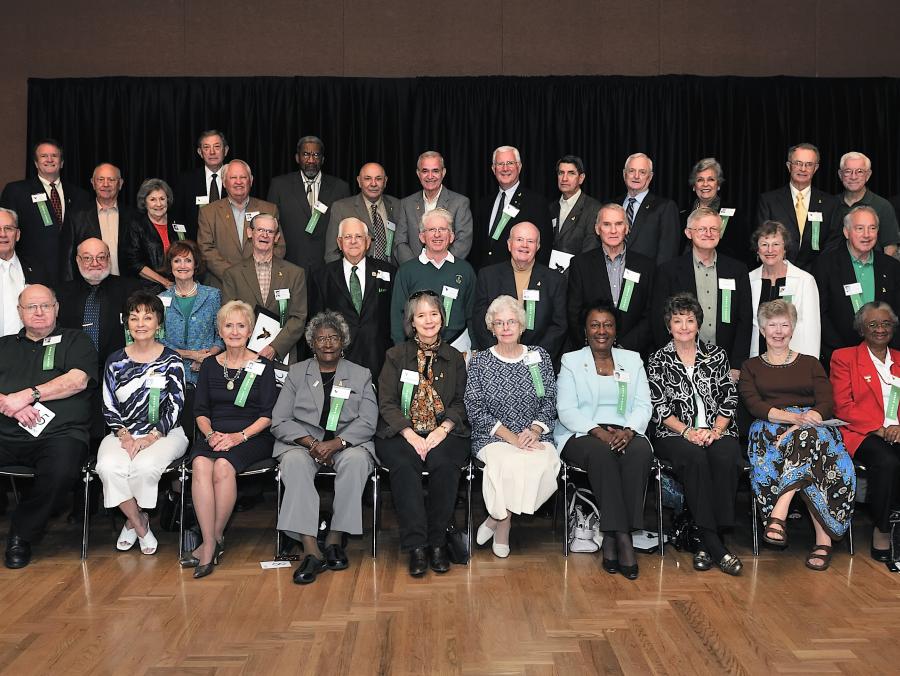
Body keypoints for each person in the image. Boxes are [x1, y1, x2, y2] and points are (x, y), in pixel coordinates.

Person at [739, 299, 855, 571]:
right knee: (807, 445)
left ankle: (778, 514)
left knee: (808, 440)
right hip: (769, 429)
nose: (778, 331)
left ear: (793, 328)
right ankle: (823, 540)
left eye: (784, 325)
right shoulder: (750, 366)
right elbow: (755, 405)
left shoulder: (812, 364)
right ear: (762, 329)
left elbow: (826, 403)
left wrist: (802, 424)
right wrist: (793, 419)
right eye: (772, 325)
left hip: (814, 427)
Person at [271, 311, 378, 585]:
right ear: (312, 344)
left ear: (343, 341)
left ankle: (334, 538)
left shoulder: (361, 374)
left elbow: (368, 420)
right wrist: (312, 443)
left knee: (356, 462)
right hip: (304, 443)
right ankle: (310, 549)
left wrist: (336, 443)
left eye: (333, 338)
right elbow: (280, 420)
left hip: (346, 443)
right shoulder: (296, 373)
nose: (327, 343)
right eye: (321, 339)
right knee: (293, 463)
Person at [0, 284, 97, 568]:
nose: (39, 312)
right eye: (31, 307)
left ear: (56, 308)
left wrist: (27, 395)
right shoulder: (3, 345)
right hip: (5, 432)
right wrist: (9, 404)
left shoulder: (76, 340)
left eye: (45, 305)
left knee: (61, 471)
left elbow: (77, 380)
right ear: (20, 312)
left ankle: (21, 533)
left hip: (59, 435)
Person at [647, 293, 744, 575]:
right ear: (669, 326)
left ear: (698, 324)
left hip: (718, 431)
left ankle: (705, 540)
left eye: (690, 320)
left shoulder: (717, 355)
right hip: (675, 435)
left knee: (726, 457)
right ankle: (715, 544)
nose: (685, 326)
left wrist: (715, 430)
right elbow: (660, 408)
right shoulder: (658, 360)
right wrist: (688, 431)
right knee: (695, 460)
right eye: (678, 321)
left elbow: (729, 398)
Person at [555, 303, 653, 579]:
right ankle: (623, 537)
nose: (602, 331)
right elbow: (566, 410)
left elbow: (644, 405)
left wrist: (630, 431)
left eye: (607, 324)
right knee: (602, 455)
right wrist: (598, 431)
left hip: (626, 431)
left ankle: (610, 536)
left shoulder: (632, 360)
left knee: (640, 453)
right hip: (582, 432)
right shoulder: (572, 361)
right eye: (595, 325)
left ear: (616, 329)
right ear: (585, 332)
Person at [376, 290, 470, 577]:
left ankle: (438, 543)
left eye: (434, 314)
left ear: (442, 318)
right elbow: (387, 402)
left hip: (446, 432)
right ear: (411, 322)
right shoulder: (395, 355)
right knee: (405, 465)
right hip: (401, 432)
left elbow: (461, 401)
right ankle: (417, 546)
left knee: (443, 463)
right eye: (421, 315)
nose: (428, 320)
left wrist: (443, 430)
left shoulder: (455, 357)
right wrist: (410, 435)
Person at [185, 300, 277, 578]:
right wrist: (211, 435)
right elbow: (200, 411)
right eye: (228, 325)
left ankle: (210, 542)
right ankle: (212, 540)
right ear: (220, 331)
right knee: (201, 465)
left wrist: (238, 437)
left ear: (250, 331)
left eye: (240, 325)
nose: (234, 331)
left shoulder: (263, 365)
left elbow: (269, 414)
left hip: (252, 435)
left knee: (223, 467)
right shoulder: (210, 366)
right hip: (213, 434)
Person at [465, 295, 559, 558]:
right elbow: (475, 408)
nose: (506, 328)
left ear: (521, 325)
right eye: (499, 323)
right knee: (505, 465)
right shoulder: (481, 361)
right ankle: (503, 526)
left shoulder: (538, 357)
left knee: (545, 463)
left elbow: (549, 398)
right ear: (491, 328)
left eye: (511, 322)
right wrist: (510, 437)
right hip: (493, 437)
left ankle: (494, 519)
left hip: (532, 434)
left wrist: (535, 430)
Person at [96, 291, 188, 556]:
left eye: (148, 317)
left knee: (144, 467)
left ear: (159, 323)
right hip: (122, 432)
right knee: (108, 467)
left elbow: (176, 403)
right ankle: (140, 524)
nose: (140, 323)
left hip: (165, 432)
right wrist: (125, 437)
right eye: (134, 317)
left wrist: (151, 437)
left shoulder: (172, 359)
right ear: (126, 323)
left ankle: (131, 520)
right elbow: (108, 404)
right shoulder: (115, 360)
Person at [830, 301, 900, 561]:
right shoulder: (844, 358)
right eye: (873, 324)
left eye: (885, 323)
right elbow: (843, 406)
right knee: (887, 461)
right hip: (862, 432)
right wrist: (881, 429)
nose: (880, 329)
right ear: (861, 329)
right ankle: (882, 529)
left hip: (898, 430)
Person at [652, 207, 752, 378]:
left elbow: (744, 320)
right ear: (688, 233)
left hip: (725, 364)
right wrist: (671, 360)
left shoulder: (737, 270)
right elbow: (658, 319)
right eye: (702, 229)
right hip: (680, 363)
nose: (708, 233)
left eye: (714, 229)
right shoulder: (669, 271)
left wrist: (737, 364)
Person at [56, 238, 142, 438]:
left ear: (109, 259)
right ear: (77, 261)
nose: (95, 263)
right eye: (88, 258)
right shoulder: (61, 293)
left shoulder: (130, 290)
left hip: (119, 374)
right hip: (73, 375)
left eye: (101, 257)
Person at [308, 217, 394, 379]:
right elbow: (315, 323)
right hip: (338, 361)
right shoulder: (321, 276)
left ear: (368, 242)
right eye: (348, 237)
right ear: (339, 243)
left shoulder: (389, 272)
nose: (353, 241)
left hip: (380, 359)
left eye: (359, 236)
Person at [815, 205, 900, 366]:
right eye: (859, 228)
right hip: (841, 356)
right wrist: (842, 352)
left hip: (885, 357)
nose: (866, 235)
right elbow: (820, 314)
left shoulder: (892, 267)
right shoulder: (826, 265)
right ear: (846, 232)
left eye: (872, 228)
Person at [472, 222, 567, 362]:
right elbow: (479, 321)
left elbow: (558, 326)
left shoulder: (555, 280)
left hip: (537, 361)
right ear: (509, 244)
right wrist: (500, 355)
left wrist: (533, 357)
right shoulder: (488, 276)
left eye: (530, 241)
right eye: (519, 240)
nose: (524, 245)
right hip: (497, 360)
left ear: (538, 246)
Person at [567, 204, 655, 354]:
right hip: (591, 353)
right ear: (597, 229)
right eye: (607, 224)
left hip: (634, 352)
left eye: (619, 224)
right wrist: (595, 346)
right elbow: (574, 313)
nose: (613, 231)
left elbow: (651, 313)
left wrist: (624, 347)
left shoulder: (645, 266)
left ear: (627, 228)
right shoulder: (580, 264)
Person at [0, 139, 90, 285]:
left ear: (61, 163)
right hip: (32, 274)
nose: (49, 159)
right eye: (44, 156)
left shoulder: (81, 196)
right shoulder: (16, 191)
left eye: (54, 156)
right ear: (36, 163)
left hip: (73, 277)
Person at [221, 214, 308, 364]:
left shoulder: (295, 274)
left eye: (270, 231)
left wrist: (275, 347)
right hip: (243, 354)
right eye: (260, 229)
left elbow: (298, 318)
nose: (264, 235)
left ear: (277, 237)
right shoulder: (232, 274)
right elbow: (228, 318)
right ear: (250, 233)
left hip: (282, 354)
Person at [389, 208, 476, 352]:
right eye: (431, 230)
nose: (437, 234)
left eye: (443, 229)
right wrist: (400, 349)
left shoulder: (465, 270)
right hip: (416, 349)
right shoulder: (406, 271)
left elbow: (473, 313)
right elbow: (398, 315)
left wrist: (475, 347)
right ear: (422, 236)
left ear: (452, 236)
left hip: (458, 347)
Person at [267, 135, 351, 272]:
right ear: (297, 158)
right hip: (290, 266)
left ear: (322, 159)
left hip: (328, 268)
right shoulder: (279, 186)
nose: (311, 160)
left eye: (316, 155)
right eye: (306, 154)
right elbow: (271, 225)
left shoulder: (340, 188)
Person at [197, 160, 283, 288]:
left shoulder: (269, 209)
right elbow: (206, 249)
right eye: (233, 177)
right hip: (223, 285)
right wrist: (234, 275)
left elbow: (279, 246)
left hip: (261, 283)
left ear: (251, 181)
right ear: (224, 182)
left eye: (243, 177)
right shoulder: (208, 212)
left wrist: (257, 272)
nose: (238, 182)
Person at [755, 143, 838, 272]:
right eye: (798, 163)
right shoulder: (769, 201)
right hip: (778, 272)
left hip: (817, 275)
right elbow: (763, 239)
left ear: (815, 168)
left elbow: (832, 243)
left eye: (809, 164)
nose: (803, 169)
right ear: (789, 166)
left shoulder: (830, 203)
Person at [472, 146, 552, 269]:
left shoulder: (536, 203)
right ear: (493, 169)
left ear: (519, 167)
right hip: (485, 278)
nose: (505, 168)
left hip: (518, 278)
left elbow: (544, 247)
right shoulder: (484, 203)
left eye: (510, 163)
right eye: (500, 164)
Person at [748, 221, 820, 358]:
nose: (770, 250)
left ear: (785, 248)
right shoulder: (749, 281)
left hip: (795, 362)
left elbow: (812, 330)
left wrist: (810, 366)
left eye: (776, 244)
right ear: (757, 250)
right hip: (757, 362)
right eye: (764, 244)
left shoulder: (805, 281)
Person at [159, 239, 223, 387]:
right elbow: (158, 339)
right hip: (170, 373)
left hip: (205, 374)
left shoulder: (212, 296)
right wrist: (190, 355)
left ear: (195, 264)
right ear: (170, 265)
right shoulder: (161, 299)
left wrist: (207, 358)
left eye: (188, 260)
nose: (182, 266)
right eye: (177, 261)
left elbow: (220, 336)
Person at [395, 150, 474, 263]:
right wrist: (415, 268)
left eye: (435, 171)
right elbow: (400, 242)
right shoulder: (406, 204)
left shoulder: (460, 203)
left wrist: (440, 266)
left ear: (443, 172)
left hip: (447, 272)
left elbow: (463, 241)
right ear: (418, 173)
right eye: (425, 171)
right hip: (415, 274)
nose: (430, 176)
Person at [62, 162, 132, 280]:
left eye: (111, 179)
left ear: (120, 184)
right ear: (93, 183)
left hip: (126, 286)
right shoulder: (76, 216)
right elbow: (67, 257)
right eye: (100, 179)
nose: (106, 184)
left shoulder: (133, 216)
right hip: (88, 285)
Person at [325, 162, 402, 264]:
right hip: (356, 275)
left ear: (385, 181)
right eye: (368, 178)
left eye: (378, 179)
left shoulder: (397, 205)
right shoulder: (341, 208)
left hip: (390, 274)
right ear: (359, 181)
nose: (373, 183)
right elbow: (332, 253)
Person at [612, 153, 681, 265]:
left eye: (642, 172)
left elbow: (668, 253)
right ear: (624, 174)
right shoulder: (611, 204)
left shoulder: (665, 207)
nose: (636, 176)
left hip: (648, 278)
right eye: (632, 171)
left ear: (650, 176)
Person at [827, 151, 900, 255]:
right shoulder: (830, 204)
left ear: (868, 175)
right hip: (835, 268)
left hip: (872, 268)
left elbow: (890, 247)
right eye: (848, 171)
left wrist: (883, 271)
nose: (853, 177)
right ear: (840, 175)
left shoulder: (883, 206)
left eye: (860, 171)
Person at [0, 208, 51, 336]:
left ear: (17, 235)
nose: (3, 234)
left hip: (27, 350)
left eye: (8, 228)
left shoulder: (37, 269)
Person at [173, 129, 230, 242]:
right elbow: (177, 217)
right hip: (195, 250)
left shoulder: (236, 178)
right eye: (206, 147)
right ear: (200, 152)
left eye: (217, 147)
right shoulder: (186, 181)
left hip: (230, 248)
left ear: (226, 150)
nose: (212, 152)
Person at [123, 178, 179, 289]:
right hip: (148, 289)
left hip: (179, 284)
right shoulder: (136, 226)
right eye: (153, 199)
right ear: (145, 202)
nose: (158, 204)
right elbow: (134, 264)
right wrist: (164, 282)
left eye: (162, 199)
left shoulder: (178, 221)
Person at [684, 158, 742, 257]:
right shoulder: (683, 213)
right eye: (700, 180)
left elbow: (740, 248)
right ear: (694, 186)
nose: (705, 184)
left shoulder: (734, 213)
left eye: (711, 179)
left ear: (718, 184)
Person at [548, 155, 600, 257]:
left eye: (571, 173)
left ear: (581, 178)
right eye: (561, 173)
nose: (564, 178)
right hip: (550, 271)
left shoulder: (594, 209)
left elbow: (590, 250)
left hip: (579, 270)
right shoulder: (551, 208)